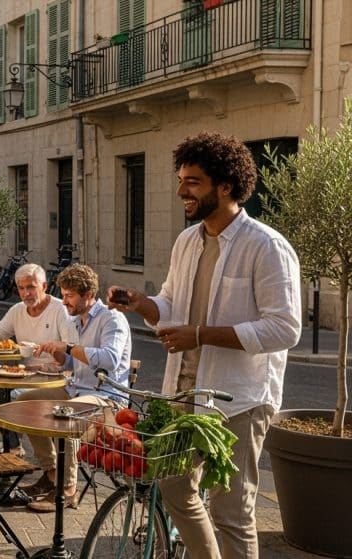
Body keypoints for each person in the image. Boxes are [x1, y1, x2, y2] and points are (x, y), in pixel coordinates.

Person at [108, 132, 300, 559]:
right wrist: (142, 303)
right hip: (185, 392)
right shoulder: (187, 241)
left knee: (232, 512)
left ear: (225, 186)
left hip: (240, 401)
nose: (181, 191)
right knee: (173, 485)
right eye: (181, 180)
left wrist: (200, 334)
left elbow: (285, 329)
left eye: (192, 181)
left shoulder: (266, 246)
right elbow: (172, 305)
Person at [17, 263, 131, 512]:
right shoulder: (77, 320)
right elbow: (70, 362)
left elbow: (110, 359)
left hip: (108, 398)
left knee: (68, 414)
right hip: (76, 389)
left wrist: (67, 347)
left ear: (88, 295)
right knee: (24, 402)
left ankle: (68, 489)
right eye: (64, 294)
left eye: (69, 295)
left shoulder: (112, 318)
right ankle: (52, 472)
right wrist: (57, 352)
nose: (64, 300)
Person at [0, 263, 78, 454]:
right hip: (25, 375)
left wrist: (49, 350)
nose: (26, 293)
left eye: (31, 287)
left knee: (19, 400)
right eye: (21, 288)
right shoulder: (17, 310)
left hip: (55, 378)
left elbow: (71, 351)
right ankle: (13, 446)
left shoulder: (59, 310)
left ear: (44, 287)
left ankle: (48, 460)